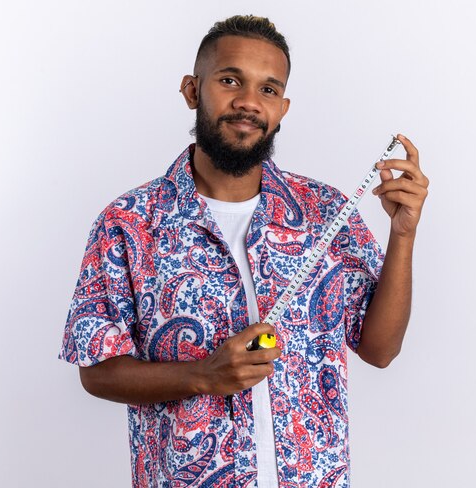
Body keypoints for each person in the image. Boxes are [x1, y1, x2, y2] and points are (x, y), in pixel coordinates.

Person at [59, 14, 429, 488]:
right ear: (192, 90)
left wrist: (403, 234)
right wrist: (202, 375)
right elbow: (97, 373)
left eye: (268, 89)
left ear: (283, 107)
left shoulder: (325, 213)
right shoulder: (128, 222)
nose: (249, 102)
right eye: (230, 80)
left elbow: (380, 350)